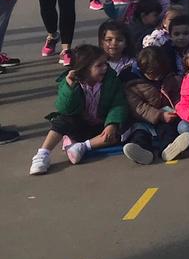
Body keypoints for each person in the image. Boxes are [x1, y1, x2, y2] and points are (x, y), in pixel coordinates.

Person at [29, 43, 128, 174]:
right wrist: (70, 87)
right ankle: (42, 155)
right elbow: (65, 108)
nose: (104, 68)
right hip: (80, 124)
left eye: (105, 63)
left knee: (120, 133)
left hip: (101, 126)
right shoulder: (71, 82)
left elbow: (118, 103)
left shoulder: (111, 80)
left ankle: (81, 146)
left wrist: (112, 123)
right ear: (85, 69)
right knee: (61, 121)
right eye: (99, 65)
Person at [121, 45, 189, 164]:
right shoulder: (131, 84)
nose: (157, 77)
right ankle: (142, 152)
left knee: (167, 130)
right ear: (142, 70)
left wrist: (177, 108)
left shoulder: (170, 78)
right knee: (139, 134)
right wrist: (159, 115)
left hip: (165, 116)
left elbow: (177, 95)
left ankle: (169, 149)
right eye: (152, 74)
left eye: (160, 73)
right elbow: (138, 107)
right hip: (142, 119)